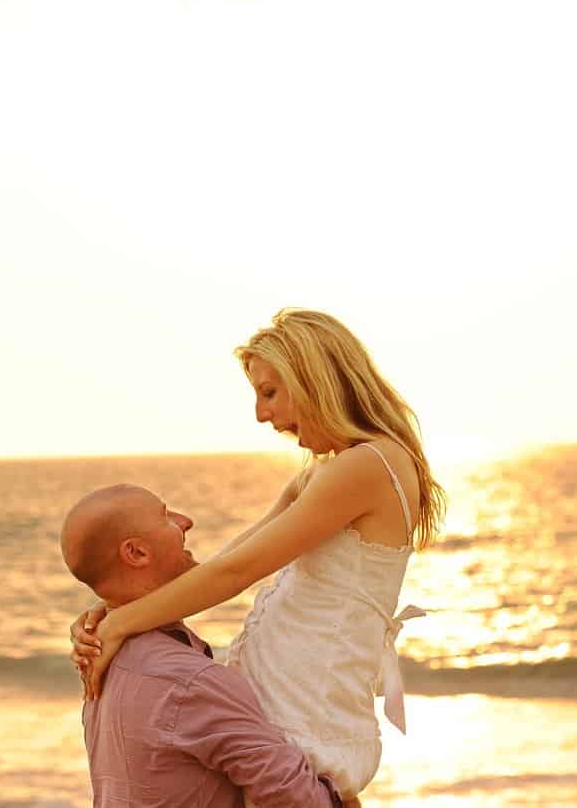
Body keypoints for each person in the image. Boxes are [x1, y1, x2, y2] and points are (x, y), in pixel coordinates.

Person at [71, 308, 445, 802]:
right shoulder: (324, 473)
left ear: (315, 379)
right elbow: (226, 562)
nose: (260, 414)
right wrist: (111, 613)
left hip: (307, 720)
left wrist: (120, 626)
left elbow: (236, 571)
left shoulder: (370, 465)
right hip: (282, 710)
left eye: (270, 392)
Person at [59, 483, 348, 808]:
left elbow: (227, 565)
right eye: (165, 515)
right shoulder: (188, 681)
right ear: (136, 553)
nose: (186, 521)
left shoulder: (102, 662)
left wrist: (293, 496)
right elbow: (297, 799)